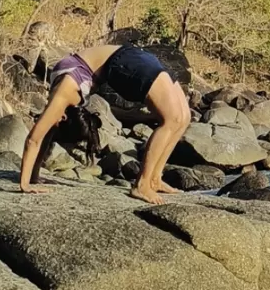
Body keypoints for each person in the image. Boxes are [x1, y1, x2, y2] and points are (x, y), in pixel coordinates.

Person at [20, 43, 191, 204]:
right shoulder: (62, 104)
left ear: (64, 118)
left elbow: (33, 139)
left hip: (122, 60)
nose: (52, 123)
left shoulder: (63, 95)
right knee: (178, 118)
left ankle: (147, 183)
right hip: (129, 56)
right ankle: (149, 181)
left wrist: (25, 184)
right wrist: (33, 176)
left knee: (178, 119)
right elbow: (44, 136)